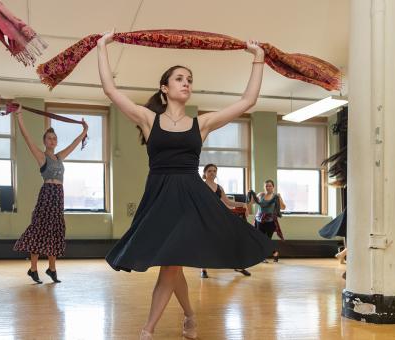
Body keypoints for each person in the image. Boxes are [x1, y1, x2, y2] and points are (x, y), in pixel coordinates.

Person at [97, 29, 272, 339]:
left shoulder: (200, 123)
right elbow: (110, 89)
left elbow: (248, 100)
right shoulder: (148, 119)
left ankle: (146, 331)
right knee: (172, 262)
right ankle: (190, 315)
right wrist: (102, 46)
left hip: (190, 200)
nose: (186, 82)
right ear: (164, 88)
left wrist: (258, 58)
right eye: (180, 78)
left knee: (171, 265)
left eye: (189, 79)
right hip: (159, 199)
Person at [12, 107, 88, 284]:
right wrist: (19, 116)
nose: (52, 140)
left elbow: (75, 144)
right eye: (49, 138)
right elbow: (27, 138)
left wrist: (84, 130)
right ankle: (33, 268)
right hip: (47, 195)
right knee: (39, 230)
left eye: (54, 138)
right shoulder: (42, 157)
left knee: (55, 231)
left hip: (58, 197)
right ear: (45, 141)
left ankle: (52, 268)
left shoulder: (60, 157)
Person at [200, 163, 251, 278]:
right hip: (205, 218)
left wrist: (243, 204)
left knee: (228, 241)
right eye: (209, 171)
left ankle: (238, 266)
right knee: (206, 243)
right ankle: (203, 269)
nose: (212, 173)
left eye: (214, 171)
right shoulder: (200, 186)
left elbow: (228, 203)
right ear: (204, 173)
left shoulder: (219, 188)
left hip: (218, 218)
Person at [249, 179, 286, 262]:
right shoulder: (260, 195)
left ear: (273, 187)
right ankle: (271, 254)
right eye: (266, 186)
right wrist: (251, 194)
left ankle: (271, 254)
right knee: (260, 239)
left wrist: (280, 198)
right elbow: (251, 203)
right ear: (264, 187)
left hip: (270, 221)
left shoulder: (276, 196)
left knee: (267, 240)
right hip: (259, 220)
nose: (268, 187)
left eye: (270, 186)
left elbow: (283, 207)